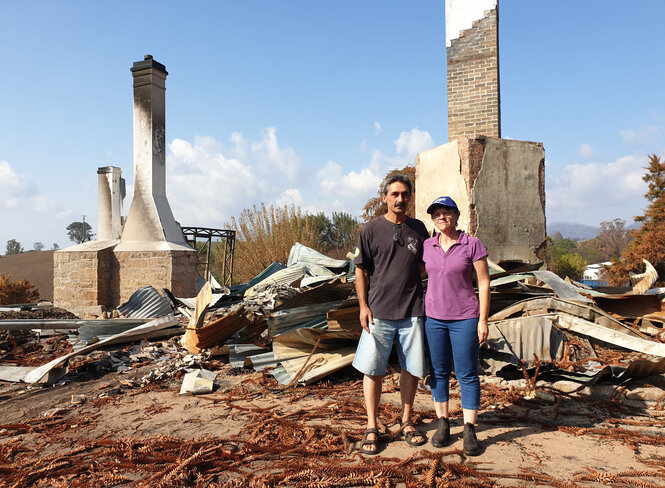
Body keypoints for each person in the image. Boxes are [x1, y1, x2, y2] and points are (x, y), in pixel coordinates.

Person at [352, 174, 430, 455]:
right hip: (378, 312)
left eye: (405, 194)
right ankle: (372, 426)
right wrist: (363, 305)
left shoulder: (419, 229)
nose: (400, 199)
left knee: (412, 369)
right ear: (384, 197)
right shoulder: (370, 230)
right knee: (373, 370)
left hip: (412, 311)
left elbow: (424, 267)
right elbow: (360, 270)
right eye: (394, 194)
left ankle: (406, 421)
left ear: (409, 198)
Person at [421, 196, 490, 456]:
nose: (441, 217)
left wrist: (483, 320)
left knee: (467, 373)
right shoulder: (427, 245)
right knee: (438, 372)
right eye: (436, 213)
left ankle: (470, 427)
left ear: (457, 215)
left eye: (446, 212)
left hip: (465, 318)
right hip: (434, 319)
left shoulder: (472, 244)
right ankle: (443, 423)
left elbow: (483, 282)